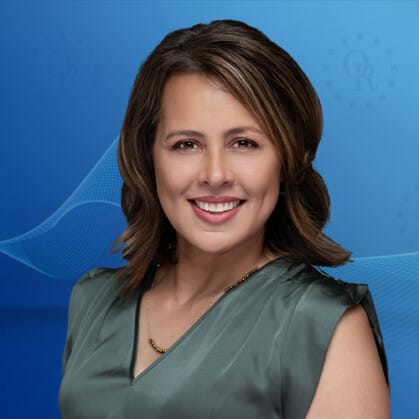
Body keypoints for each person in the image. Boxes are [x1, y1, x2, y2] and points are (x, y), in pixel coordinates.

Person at [58, 20, 389, 418]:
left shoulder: (322, 325)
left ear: (285, 159)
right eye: (187, 144)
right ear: (149, 158)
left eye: (243, 143)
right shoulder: (93, 299)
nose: (215, 175)